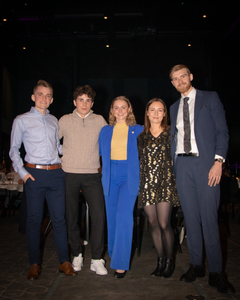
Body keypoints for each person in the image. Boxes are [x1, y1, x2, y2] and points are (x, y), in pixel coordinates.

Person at [169, 64, 235, 294]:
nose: (180, 81)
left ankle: (217, 272)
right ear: (172, 83)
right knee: (190, 219)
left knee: (208, 219)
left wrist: (218, 162)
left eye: (183, 76)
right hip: (183, 166)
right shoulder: (174, 107)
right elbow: (173, 140)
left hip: (207, 165)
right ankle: (196, 265)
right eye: (175, 79)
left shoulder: (210, 98)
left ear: (191, 76)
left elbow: (222, 131)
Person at [9, 80, 77, 280]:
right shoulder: (21, 120)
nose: (44, 98)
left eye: (48, 95)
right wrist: (23, 173)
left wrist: (78, 151)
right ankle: (34, 264)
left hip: (57, 173)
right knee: (34, 220)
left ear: (52, 99)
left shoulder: (54, 120)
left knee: (59, 220)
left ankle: (64, 261)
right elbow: (14, 150)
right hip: (34, 174)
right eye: (40, 94)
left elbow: (58, 147)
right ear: (33, 97)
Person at [58, 85, 108, 275]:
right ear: (74, 102)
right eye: (81, 100)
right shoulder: (64, 120)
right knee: (71, 217)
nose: (84, 103)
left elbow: (108, 144)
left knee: (98, 216)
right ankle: (76, 255)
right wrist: (63, 156)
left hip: (92, 174)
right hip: (69, 173)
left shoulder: (100, 120)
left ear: (92, 103)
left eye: (88, 100)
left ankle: (96, 259)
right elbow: (52, 142)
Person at [99, 96, 143, 278]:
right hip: (110, 174)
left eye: (123, 107)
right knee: (112, 218)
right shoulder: (105, 130)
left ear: (129, 109)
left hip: (129, 174)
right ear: (112, 110)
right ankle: (114, 254)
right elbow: (99, 154)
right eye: (116, 107)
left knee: (124, 216)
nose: (119, 110)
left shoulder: (139, 130)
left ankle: (120, 264)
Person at [138, 98, 180, 278]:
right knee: (153, 223)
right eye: (152, 110)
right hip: (147, 184)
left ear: (165, 114)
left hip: (165, 183)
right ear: (147, 113)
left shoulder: (172, 134)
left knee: (164, 223)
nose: (156, 113)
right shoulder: (141, 136)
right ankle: (160, 261)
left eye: (160, 110)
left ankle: (169, 262)